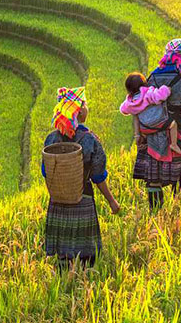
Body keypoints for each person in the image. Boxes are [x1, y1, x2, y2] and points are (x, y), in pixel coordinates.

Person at [42, 87, 121, 268]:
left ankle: (64, 283)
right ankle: (84, 287)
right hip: (82, 197)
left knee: (63, 253)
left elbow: (45, 171)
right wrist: (112, 202)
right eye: (85, 104)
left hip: (57, 201)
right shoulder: (89, 140)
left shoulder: (50, 140)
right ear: (80, 110)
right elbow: (98, 176)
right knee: (87, 255)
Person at [134, 39, 181, 209]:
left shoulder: (150, 78)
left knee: (153, 177)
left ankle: (155, 212)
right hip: (176, 134)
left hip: (152, 133)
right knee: (179, 175)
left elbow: (140, 106)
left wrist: (140, 134)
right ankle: (176, 212)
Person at [120, 72, 181, 156]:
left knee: (143, 126)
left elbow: (123, 110)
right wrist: (167, 89)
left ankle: (146, 142)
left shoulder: (131, 102)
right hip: (160, 122)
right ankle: (174, 144)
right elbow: (160, 96)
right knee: (173, 124)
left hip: (145, 128)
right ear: (144, 84)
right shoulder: (148, 93)